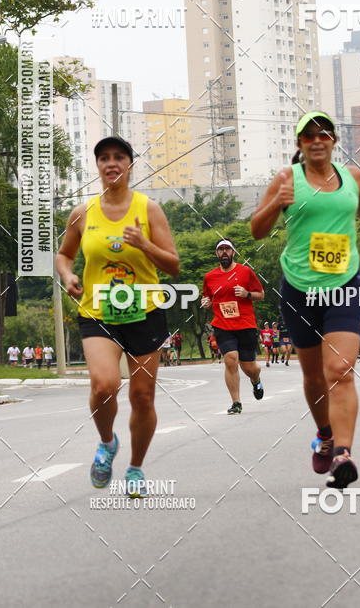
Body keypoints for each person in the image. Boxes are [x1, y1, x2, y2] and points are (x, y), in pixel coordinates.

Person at [251, 110, 360, 489]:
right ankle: (325, 435)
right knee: (313, 376)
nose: (317, 140)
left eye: (324, 133)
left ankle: (344, 453)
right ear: (299, 144)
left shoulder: (353, 177)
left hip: (344, 284)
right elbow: (257, 230)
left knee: (340, 370)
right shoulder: (286, 180)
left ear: (333, 141)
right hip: (299, 288)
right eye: (309, 135)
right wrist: (273, 203)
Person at [56, 134, 179, 496]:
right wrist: (68, 275)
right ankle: (107, 443)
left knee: (142, 397)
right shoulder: (82, 213)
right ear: (97, 165)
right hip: (98, 313)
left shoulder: (149, 209)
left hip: (145, 311)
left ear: (129, 165)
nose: (111, 163)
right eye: (104, 158)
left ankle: (137, 467)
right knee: (104, 385)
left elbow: (173, 265)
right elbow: (64, 255)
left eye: (119, 157)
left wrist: (144, 244)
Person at [201, 239, 265, 414]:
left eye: (227, 249)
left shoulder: (245, 272)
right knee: (230, 359)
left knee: (249, 367)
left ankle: (256, 379)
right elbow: (207, 297)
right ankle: (236, 402)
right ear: (216, 254)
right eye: (220, 249)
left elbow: (261, 295)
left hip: (245, 324)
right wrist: (205, 302)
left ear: (233, 252)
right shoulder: (210, 276)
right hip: (222, 324)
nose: (224, 252)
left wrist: (247, 294)